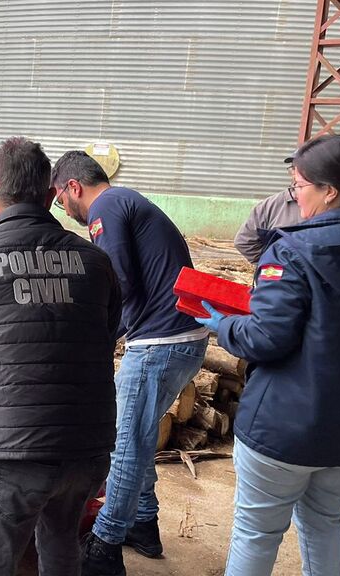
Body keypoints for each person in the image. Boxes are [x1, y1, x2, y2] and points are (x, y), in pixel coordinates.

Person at [195, 135, 340, 576]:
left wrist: (225, 326)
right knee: (323, 524)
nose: (294, 194)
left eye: (298, 185)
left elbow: (265, 339)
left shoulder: (293, 250)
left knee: (256, 534)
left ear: (329, 190)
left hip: (285, 429)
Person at [0, 137, 121, 576]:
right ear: (48, 197)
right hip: (87, 449)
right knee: (60, 539)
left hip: (11, 452)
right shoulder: (95, 262)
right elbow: (106, 333)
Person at [50, 151, 208, 576]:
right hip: (180, 336)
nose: (64, 212)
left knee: (123, 445)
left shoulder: (105, 207)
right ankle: (143, 523)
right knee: (136, 437)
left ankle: (105, 544)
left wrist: (85, 337)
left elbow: (117, 281)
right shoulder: (126, 201)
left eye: (59, 201)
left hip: (161, 341)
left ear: (73, 188)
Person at [234, 149, 304, 264]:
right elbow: (244, 241)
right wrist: (272, 264)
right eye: (294, 168)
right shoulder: (270, 205)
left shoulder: (334, 204)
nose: (297, 174)